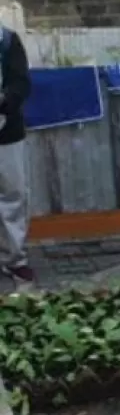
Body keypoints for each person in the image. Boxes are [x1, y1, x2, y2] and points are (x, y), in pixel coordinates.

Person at [0, 25, 33, 285]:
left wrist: (4, 103)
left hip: (6, 130)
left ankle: (14, 260)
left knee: (14, 194)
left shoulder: (8, 40)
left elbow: (20, 82)